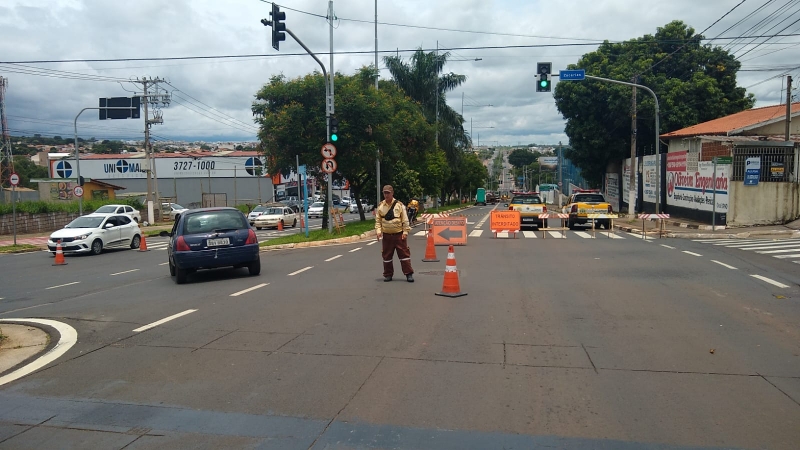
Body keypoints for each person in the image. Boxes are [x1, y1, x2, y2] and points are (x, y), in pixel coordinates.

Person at [375, 185, 414, 282]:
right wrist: (378, 232)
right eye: (385, 193)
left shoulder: (399, 205)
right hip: (387, 236)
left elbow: (405, 220)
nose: (386, 195)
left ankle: (408, 274)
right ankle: (388, 274)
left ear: (392, 193)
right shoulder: (381, 206)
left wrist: (405, 232)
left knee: (404, 255)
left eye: (388, 193)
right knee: (386, 256)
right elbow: (378, 221)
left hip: (399, 235)